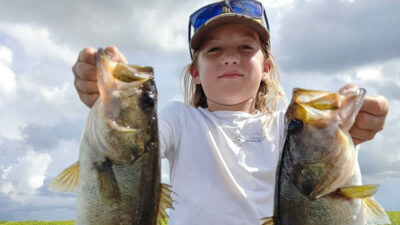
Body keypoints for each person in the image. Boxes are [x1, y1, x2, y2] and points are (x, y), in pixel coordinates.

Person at [72, 0, 389, 224]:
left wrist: (353, 131)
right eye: (214, 50)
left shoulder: (289, 127)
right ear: (195, 72)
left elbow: (321, 158)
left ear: (265, 67)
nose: (230, 58)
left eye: (245, 48)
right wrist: (116, 103)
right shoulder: (180, 120)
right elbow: (137, 140)